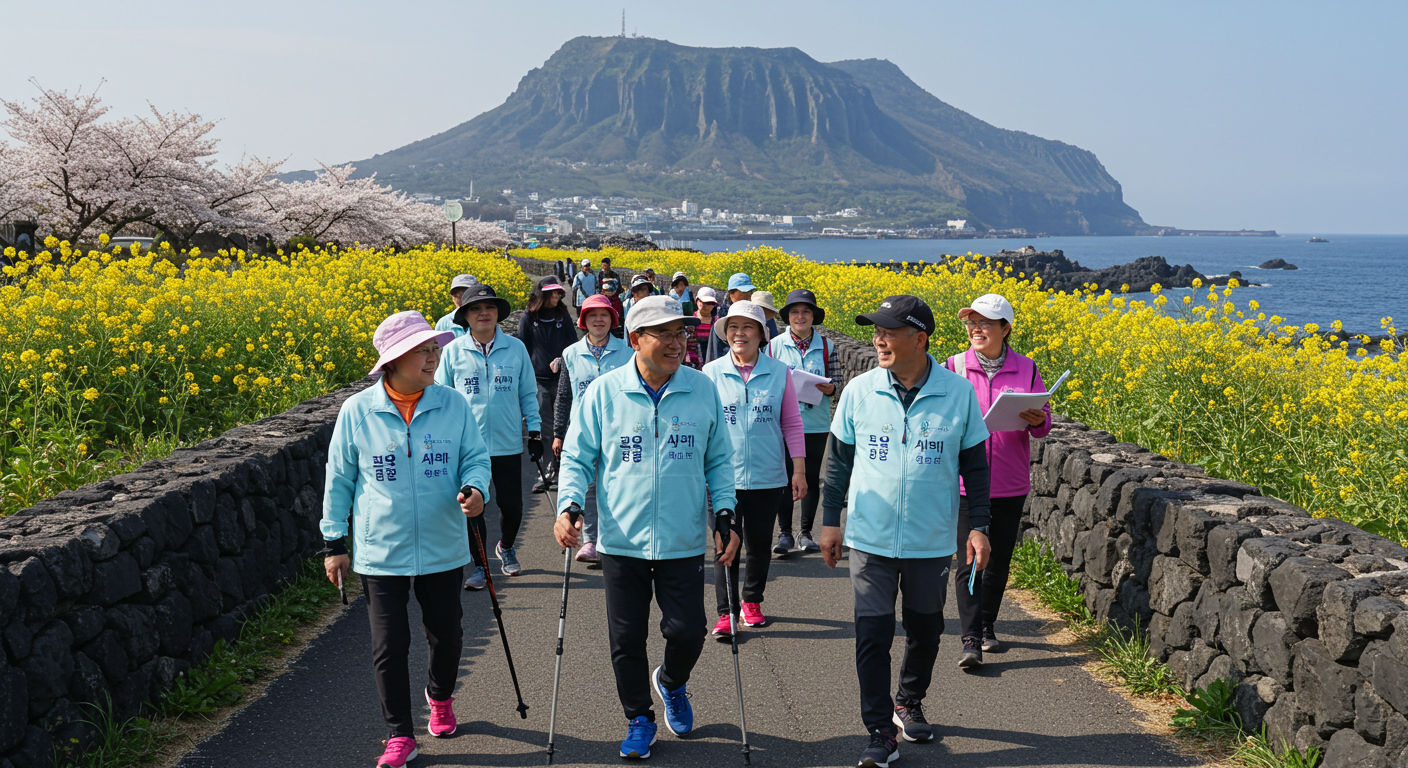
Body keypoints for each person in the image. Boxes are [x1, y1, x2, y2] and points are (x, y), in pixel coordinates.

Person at [553, 294, 740, 760]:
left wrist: (725, 513)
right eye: (665, 334)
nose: (677, 343)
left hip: (680, 538)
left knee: (688, 632)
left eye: (682, 333)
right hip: (622, 539)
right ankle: (639, 717)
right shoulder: (603, 391)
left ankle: (672, 683)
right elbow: (578, 456)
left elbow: (719, 458)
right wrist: (569, 505)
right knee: (626, 638)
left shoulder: (702, 389)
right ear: (636, 340)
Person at [817, 294, 992, 768]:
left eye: (889, 332)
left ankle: (908, 699)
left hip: (930, 540)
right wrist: (830, 524)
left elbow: (976, 467)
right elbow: (837, 465)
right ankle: (878, 731)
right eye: (876, 331)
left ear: (920, 339)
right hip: (870, 539)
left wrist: (979, 527)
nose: (878, 339)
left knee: (927, 630)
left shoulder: (958, 394)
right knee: (871, 633)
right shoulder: (859, 390)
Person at [320, 311, 492, 768]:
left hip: (442, 543)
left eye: (435, 348)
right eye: (424, 350)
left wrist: (476, 490)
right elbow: (339, 479)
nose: (435, 356)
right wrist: (334, 543)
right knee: (389, 645)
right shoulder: (357, 411)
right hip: (381, 550)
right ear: (394, 359)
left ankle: (439, 697)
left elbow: (476, 458)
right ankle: (399, 734)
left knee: (448, 635)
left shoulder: (453, 404)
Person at [947, 293, 1051, 667]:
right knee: (969, 559)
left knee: (1000, 559)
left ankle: (987, 624)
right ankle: (970, 637)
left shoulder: (1027, 368)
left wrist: (1040, 421)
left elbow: (1043, 425)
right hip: (963, 482)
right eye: (972, 322)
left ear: (1006, 329)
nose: (976, 329)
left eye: (985, 323)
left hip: (1009, 480)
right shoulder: (953, 366)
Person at [703, 300, 807, 636]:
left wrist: (799, 470)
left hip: (767, 476)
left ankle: (752, 600)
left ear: (762, 334)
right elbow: (702, 424)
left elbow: (791, 422)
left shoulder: (780, 373)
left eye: (747, 327)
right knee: (725, 543)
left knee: (760, 543)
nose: (739, 333)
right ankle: (726, 611)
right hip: (723, 478)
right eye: (733, 327)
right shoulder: (710, 373)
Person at [435, 284, 542, 588]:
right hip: (467, 447)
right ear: (465, 316)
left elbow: (528, 393)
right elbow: (441, 397)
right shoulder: (453, 352)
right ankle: (481, 566)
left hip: (507, 442)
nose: (484, 313)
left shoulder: (516, 348)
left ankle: (505, 547)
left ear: (498, 314)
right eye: (475, 309)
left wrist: (534, 431)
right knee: (473, 505)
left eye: (490, 308)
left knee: (512, 507)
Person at [552, 294, 633, 563]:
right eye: (593, 315)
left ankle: (611, 537)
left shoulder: (627, 353)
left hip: (617, 430)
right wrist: (558, 432)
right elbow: (564, 396)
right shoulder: (571, 353)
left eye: (605, 315)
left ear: (613, 320)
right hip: (581, 431)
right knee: (585, 486)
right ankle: (590, 541)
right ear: (584, 321)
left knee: (613, 485)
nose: (599, 319)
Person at [766, 289, 838, 553]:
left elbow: (838, 383)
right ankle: (784, 533)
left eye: (806, 311)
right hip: (782, 424)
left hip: (816, 424)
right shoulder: (773, 346)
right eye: (795, 312)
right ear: (787, 317)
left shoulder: (828, 346)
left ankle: (805, 532)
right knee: (784, 477)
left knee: (810, 476)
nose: (800, 316)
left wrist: (831, 389)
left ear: (813, 316)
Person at [519, 276, 580, 493]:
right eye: (553, 293)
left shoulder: (562, 315)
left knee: (564, 425)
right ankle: (547, 472)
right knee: (545, 426)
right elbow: (523, 349)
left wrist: (561, 360)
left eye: (558, 293)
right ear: (543, 294)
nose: (557, 296)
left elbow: (573, 345)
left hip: (562, 378)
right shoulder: (528, 317)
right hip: (539, 380)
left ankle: (565, 469)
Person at [686, 286, 723, 369]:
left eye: (711, 303)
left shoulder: (718, 323)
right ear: (697, 301)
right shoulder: (689, 323)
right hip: (693, 366)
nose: (707, 306)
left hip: (714, 364)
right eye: (704, 302)